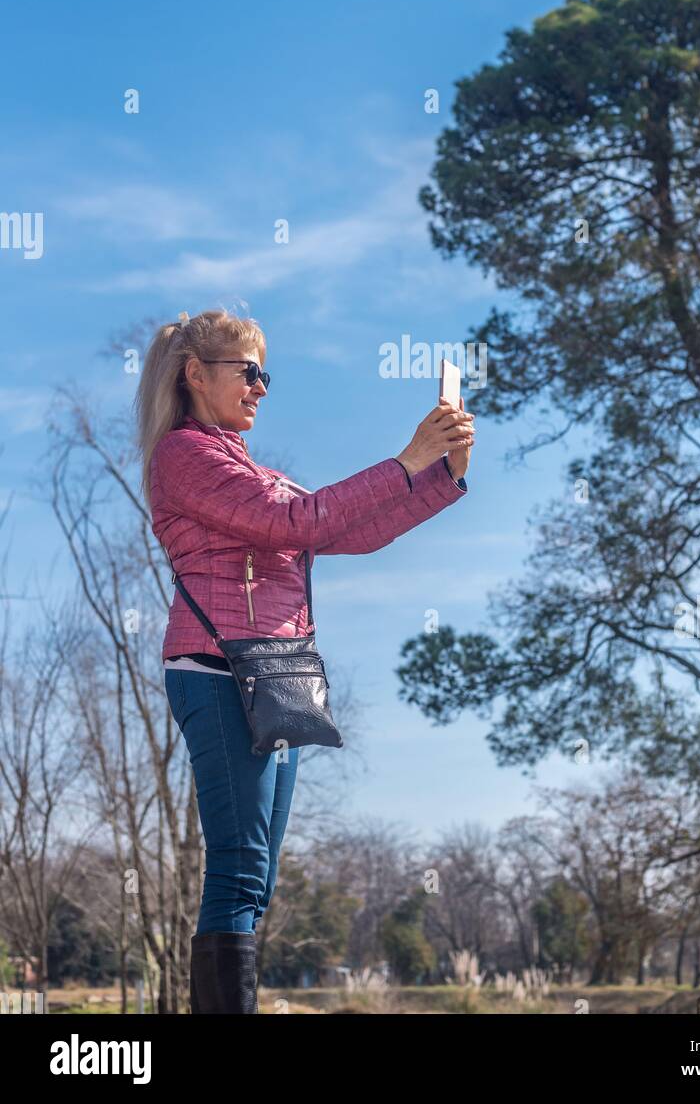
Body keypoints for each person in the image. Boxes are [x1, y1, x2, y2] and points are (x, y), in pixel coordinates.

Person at [134, 308, 474, 1013]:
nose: (262, 387)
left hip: (274, 674)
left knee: (257, 873)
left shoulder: (248, 468)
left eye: (267, 374)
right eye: (249, 371)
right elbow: (304, 521)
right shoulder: (184, 457)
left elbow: (344, 530)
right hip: (218, 669)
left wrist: (440, 478)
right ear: (197, 375)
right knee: (236, 867)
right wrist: (406, 461)